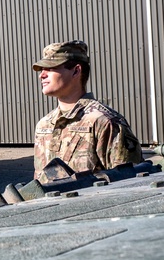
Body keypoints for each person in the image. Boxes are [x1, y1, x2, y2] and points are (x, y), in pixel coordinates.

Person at [32, 40, 143, 181]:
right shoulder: (44, 125)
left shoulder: (104, 122)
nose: (42, 75)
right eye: (41, 70)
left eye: (51, 68)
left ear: (76, 71)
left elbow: (131, 183)